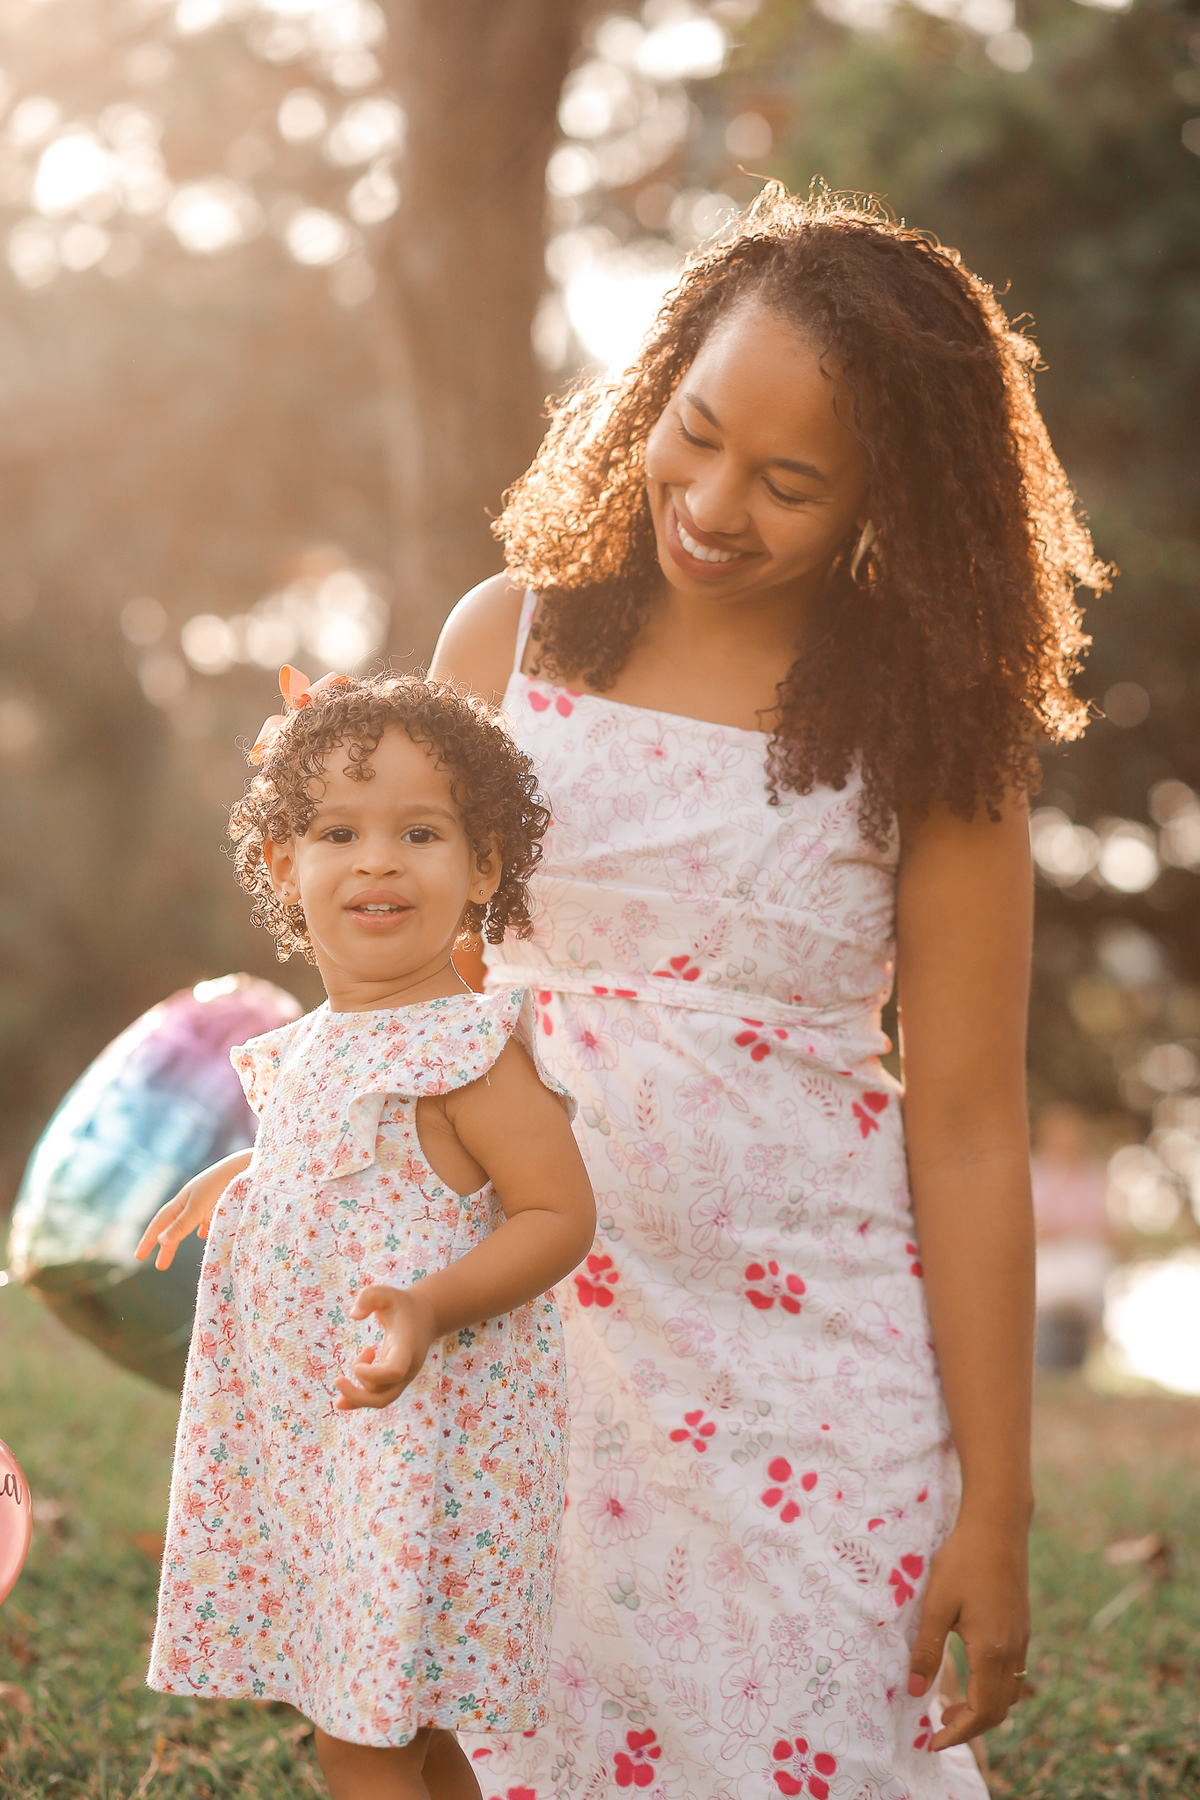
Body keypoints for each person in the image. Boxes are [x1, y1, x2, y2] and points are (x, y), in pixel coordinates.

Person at [431, 185, 1106, 1798]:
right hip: (527, 1342)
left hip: (809, 1376)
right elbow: (418, 1012)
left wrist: (993, 1514)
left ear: (896, 498)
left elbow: (961, 1131)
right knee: (503, 1739)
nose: (717, 503)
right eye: (697, 431)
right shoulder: (506, 643)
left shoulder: (934, 735)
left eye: (792, 481)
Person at [134, 669, 597, 1800]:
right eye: (338, 830)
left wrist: (431, 1302)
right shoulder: (311, 1050)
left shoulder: (465, 1051)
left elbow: (558, 1211)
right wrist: (254, 1173)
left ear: (484, 865)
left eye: (422, 831)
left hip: (416, 1452)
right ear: (285, 864)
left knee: (360, 1737)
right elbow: (355, 1163)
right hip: (320, 1446)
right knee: (397, 1725)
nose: (379, 859)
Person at [1029, 1102, 1114, 1368]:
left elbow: (1110, 1229)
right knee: (1045, 1359)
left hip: (1084, 1283)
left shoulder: (1094, 1176)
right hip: (1047, 1284)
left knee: (1076, 1363)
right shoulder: (1033, 1173)